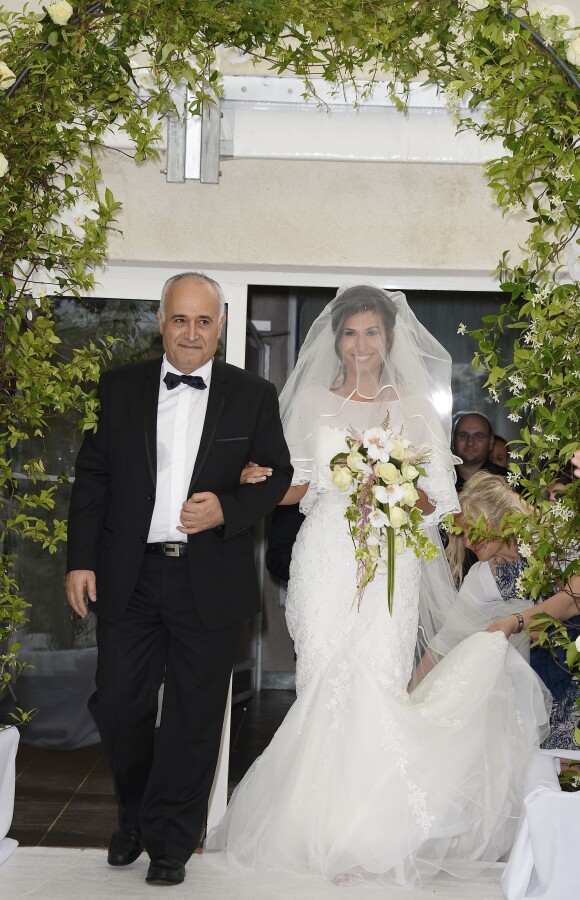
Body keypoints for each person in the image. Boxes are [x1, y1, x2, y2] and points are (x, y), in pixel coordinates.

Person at [205, 285, 549, 888]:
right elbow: (295, 486)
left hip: (391, 556)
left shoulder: (415, 406)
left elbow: (439, 500)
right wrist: (251, 478)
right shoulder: (310, 402)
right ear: (335, 339)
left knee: (375, 680)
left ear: (388, 338)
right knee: (323, 677)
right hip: (327, 555)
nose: (361, 344)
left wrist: (388, 483)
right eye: (350, 332)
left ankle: (368, 836)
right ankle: (313, 831)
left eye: (372, 332)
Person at [65, 272, 292, 887]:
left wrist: (227, 507)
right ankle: (134, 811)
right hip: (128, 576)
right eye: (180, 320)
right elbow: (93, 481)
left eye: (204, 321)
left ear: (220, 326)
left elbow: (276, 475)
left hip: (207, 578)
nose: (191, 333)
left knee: (195, 716)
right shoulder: (117, 389)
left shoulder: (253, 394)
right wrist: (80, 561)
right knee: (117, 703)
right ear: (160, 323)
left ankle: (169, 840)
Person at [430, 471, 578, 749]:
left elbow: (575, 597)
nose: (469, 543)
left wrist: (518, 621)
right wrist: (413, 696)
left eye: (473, 530)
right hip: (544, 688)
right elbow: (445, 643)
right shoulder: (483, 576)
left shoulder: (553, 542)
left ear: (499, 517)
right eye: (462, 535)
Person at [452, 411, 507, 492]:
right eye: (463, 435)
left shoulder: (507, 480)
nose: (470, 442)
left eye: (478, 436)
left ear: (491, 442)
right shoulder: (437, 479)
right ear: (453, 440)